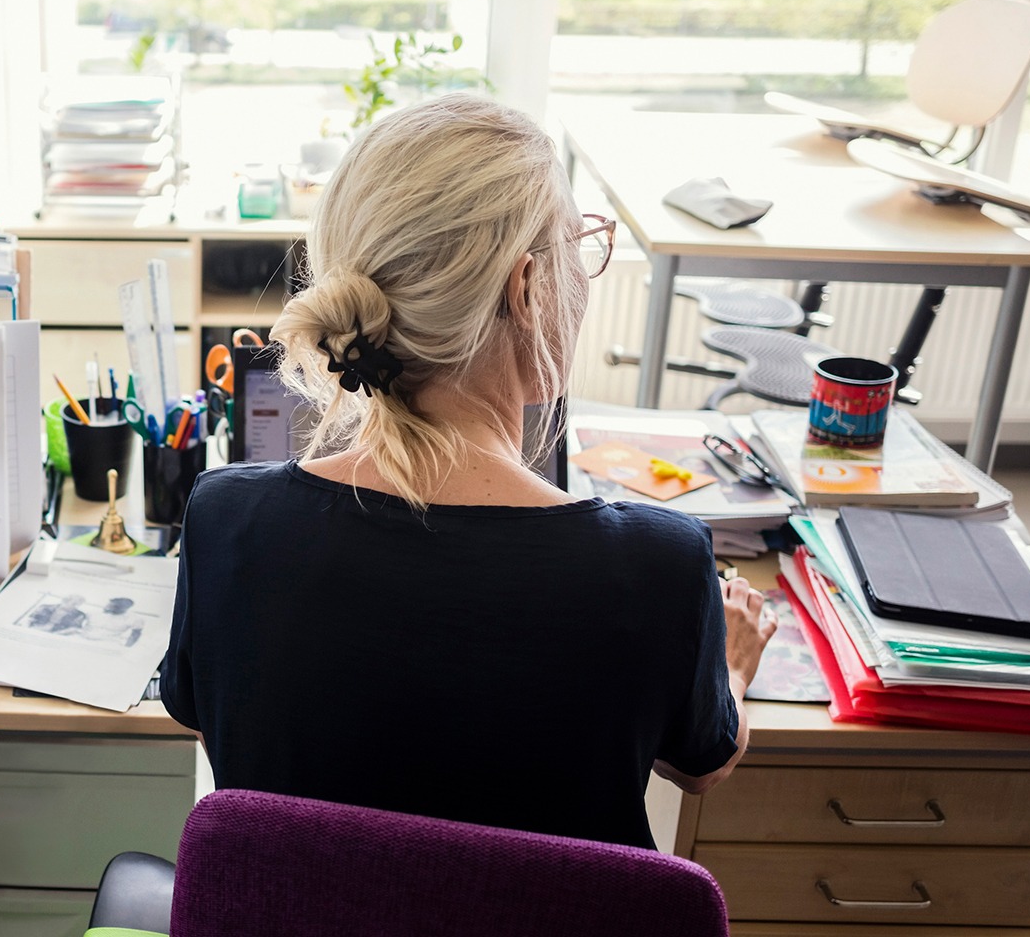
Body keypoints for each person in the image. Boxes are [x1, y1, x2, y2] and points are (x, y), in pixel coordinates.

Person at [158, 94, 777, 850]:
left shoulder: (227, 521)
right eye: (580, 245)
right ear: (527, 287)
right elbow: (702, 765)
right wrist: (733, 668)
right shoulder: (656, 568)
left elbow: (200, 711)